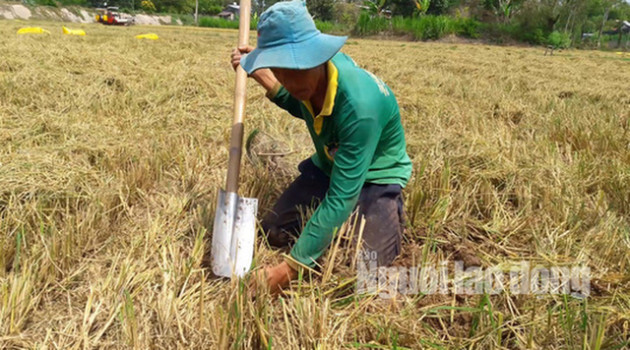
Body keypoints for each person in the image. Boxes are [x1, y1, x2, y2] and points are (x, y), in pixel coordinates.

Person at [230, 0, 412, 294]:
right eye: (279, 69)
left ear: (317, 56)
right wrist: (262, 75)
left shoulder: (359, 106)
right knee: (275, 231)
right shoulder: (308, 81)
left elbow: (342, 195)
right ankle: (330, 228)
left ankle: (377, 213)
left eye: (296, 67)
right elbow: (297, 101)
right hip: (328, 165)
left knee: (365, 270)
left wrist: (291, 268)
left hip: (377, 177)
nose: (289, 80)